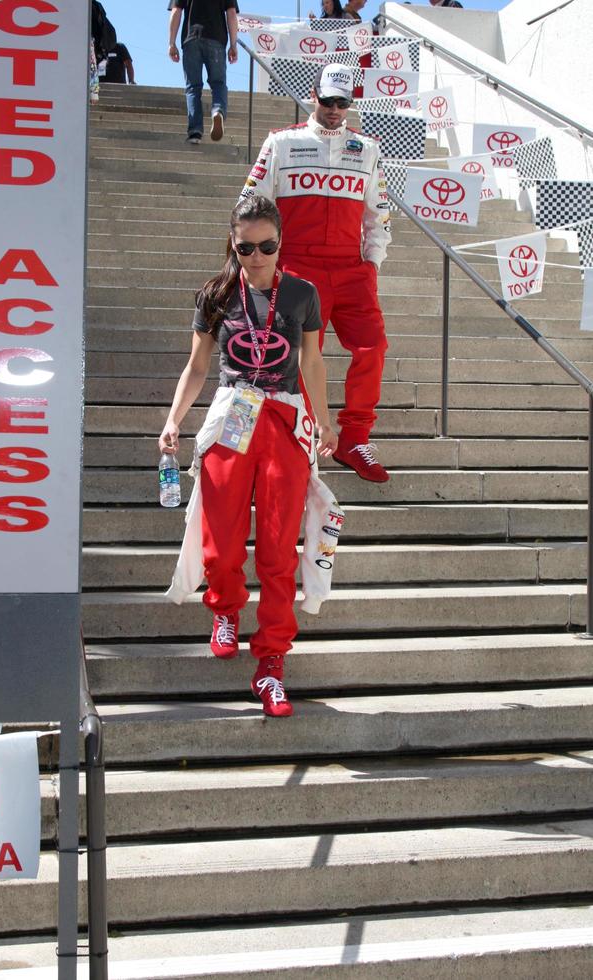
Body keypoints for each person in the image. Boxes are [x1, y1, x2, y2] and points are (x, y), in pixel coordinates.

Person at [160, 196, 341, 718]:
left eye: (267, 246)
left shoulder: (303, 293)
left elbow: (312, 362)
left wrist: (325, 421)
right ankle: (225, 610)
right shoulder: (217, 294)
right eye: (245, 247)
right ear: (232, 244)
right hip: (232, 417)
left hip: (283, 422)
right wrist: (174, 420)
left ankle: (272, 664)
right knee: (219, 536)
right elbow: (197, 367)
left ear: (281, 242)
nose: (256, 255)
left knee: (280, 549)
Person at [240, 64, 392, 482]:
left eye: (343, 103)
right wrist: (259, 260)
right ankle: (304, 439)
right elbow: (250, 204)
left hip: (351, 267)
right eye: (328, 101)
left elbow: (378, 215)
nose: (334, 110)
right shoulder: (282, 141)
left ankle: (354, 438)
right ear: (313, 95)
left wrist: (371, 264)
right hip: (298, 266)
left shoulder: (367, 148)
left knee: (373, 347)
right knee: (304, 354)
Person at [168, 0, 239, 145]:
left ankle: (195, 132)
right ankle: (217, 111)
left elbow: (176, 11)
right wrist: (233, 44)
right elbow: (231, 13)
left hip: (191, 39)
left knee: (193, 87)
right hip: (217, 40)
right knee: (218, 84)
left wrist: (171, 43)